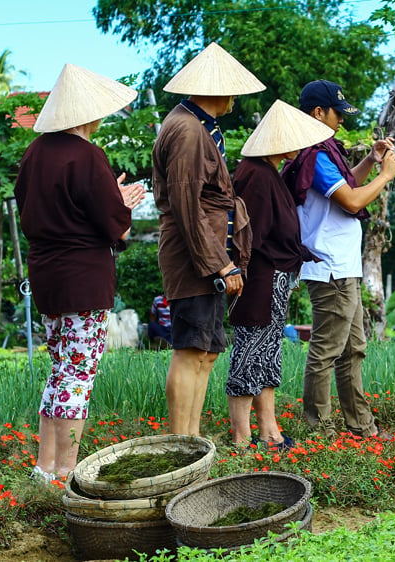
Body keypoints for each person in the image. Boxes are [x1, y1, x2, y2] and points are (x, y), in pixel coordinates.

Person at [14, 64, 142, 480]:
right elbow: (114, 223)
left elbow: (43, 209)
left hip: (47, 276)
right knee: (78, 374)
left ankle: (45, 467)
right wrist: (123, 202)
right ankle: (66, 470)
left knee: (61, 370)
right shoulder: (88, 155)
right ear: (89, 113)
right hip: (84, 278)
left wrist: (111, 198)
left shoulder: (33, 154)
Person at [152, 42, 264, 436]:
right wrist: (221, 262)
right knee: (190, 350)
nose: (235, 97)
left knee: (206, 352)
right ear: (216, 90)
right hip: (194, 257)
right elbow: (186, 204)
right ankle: (180, 441)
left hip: (209, 253)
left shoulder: (200, 125)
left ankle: (192, 438)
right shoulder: (185, 129)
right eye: (231, 89)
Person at [284, 80, 395, 440]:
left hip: (341, 266)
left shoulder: (322, 153)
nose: (341, 122)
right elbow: (351, 201)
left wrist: (371, 160)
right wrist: (385, 175)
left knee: (353, 349)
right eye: (337, 114)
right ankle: (318, 430)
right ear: (318, 113)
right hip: (329, 266)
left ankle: (360, 425)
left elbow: (347, 185)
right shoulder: (315, 156)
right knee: (327, 350)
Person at [226, 99, 334, 450]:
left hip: (273, 276)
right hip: (260, 278)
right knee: (250, 351)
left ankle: (269, 430)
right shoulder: (256, 175)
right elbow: (250, 237)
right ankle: (242, 436)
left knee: (268, 352)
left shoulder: (267, 171)